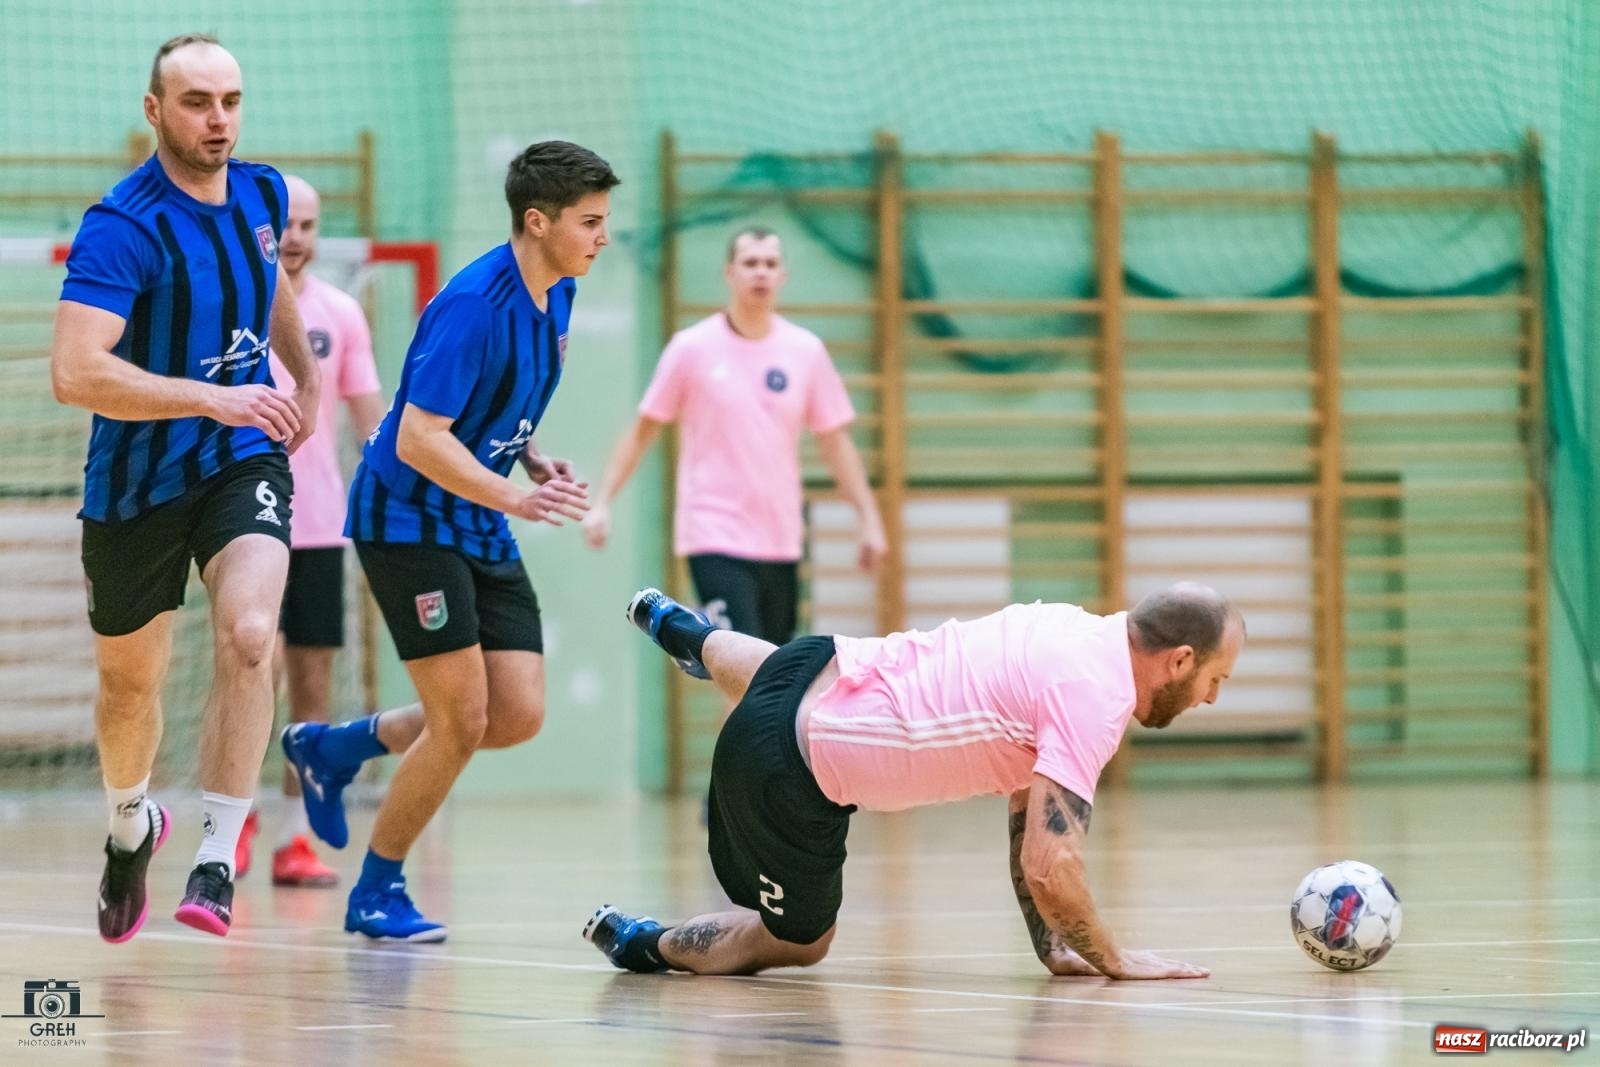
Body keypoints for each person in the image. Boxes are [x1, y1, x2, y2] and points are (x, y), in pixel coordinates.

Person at [279, 141, 619, 942]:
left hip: (481, 514)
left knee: (517, 711)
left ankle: (335, 747)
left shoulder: (560, 290)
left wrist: (529, 455)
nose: (603, 237)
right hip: (408, 522)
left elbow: (497, 406)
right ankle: (376, 890)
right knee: (461, 719)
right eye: (590, 222)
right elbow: (418, 439)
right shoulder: (474, 303)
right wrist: (518, 496)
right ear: (537, 222)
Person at [584, 583, 1245, 978]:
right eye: (1214, 680)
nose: (1211, 698)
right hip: (785, 767)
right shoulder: (1094, 697)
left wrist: (1053, 946)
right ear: (1179, 659)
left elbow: (1028, 809)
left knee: (777, 676)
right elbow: (1049, 864)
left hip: (812, 665)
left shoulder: (1072, 627)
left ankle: (685, 631)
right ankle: (646, 943)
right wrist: (1112, 957)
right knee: (801, 940)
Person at [51, 33, 321, 941]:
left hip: (238, 458)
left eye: (232, 101)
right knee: (130, 690)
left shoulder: (262, 190)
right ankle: (133, 824)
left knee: (252, 632)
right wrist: (214, 393)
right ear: (154, 110)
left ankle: (217, 852)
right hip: (134, 482)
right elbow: (74, 372)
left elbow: (268, 277)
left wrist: (304, 378)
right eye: (199, 102)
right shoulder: (122, 226)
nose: (220, 121)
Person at [582, 228, 886, 655]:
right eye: (750, 263)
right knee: (743, 666)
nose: (760, 272)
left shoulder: (805, 351)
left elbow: (835, 442)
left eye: (769, 263)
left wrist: (868, 520)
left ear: (783, 275)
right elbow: (643, 429)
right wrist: (603, 501)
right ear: (729, 272)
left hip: (781, 539)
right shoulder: (692, 349)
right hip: (714, 533)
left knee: (774, 675)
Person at [232, 175, 387, 888]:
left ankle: (297, 840)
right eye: (284, 223)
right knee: (247, 668)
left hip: (321, 524)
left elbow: (371, 424)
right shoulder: (230, 306)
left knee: (311, 683)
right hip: (241, 523)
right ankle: (230, 825)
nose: (295, 236)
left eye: (308, 224)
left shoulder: (342, 314)